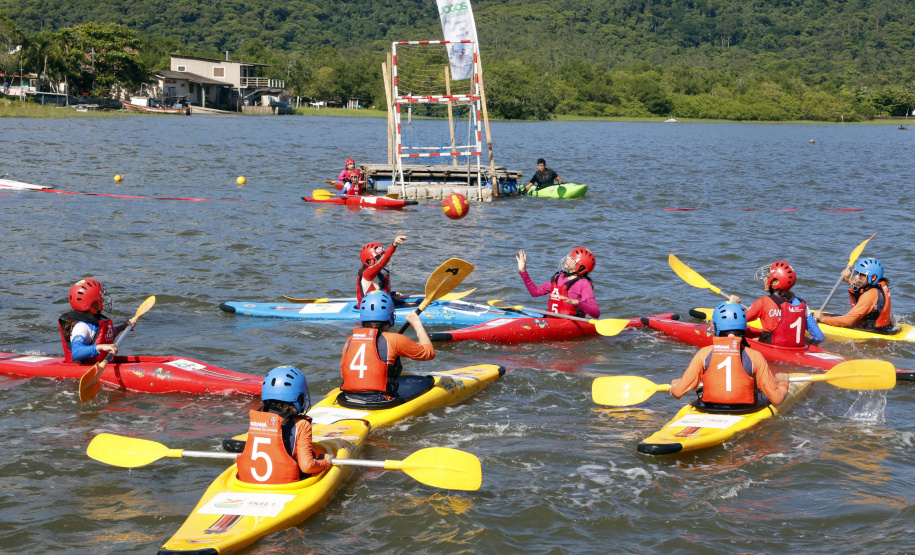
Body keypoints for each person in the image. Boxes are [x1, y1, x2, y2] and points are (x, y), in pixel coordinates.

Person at [670, 302, 789, 407]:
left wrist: (675, 384)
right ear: (743, 327)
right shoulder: (754, 356)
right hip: (744, 410)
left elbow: (677, 392)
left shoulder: (704, 354)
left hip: (710, 408)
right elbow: (777, 399)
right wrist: (783, 383)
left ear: (716, 327)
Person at [237, 366, 333, 484]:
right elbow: (307, 466)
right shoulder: (302, 424)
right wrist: (325, 462)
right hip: (284, 484)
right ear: (298, 397)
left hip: (250, 482)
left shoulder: (259, 417)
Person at [340, 291, 435, 402]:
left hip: (348, 397)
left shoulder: (350, 340)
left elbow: (344, 373)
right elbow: (429, 353)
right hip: (381, 400)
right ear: (390, 316)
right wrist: (417, 324)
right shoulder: (394, 339)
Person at [729, 261, 825, 346]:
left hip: (773, 348)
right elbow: (819, 337)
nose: (764, 279)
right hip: (796, 349)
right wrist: (808, 346)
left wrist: (733, 304)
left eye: (767, 277)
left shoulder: (764, 302)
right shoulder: (802, 304)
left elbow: (735, 321)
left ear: (775, 282)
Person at [58, 279, 137, 364]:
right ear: (94, 304)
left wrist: (123, 327)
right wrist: (101, 347)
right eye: (101, 298)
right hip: (86, 369)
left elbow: (107, 335)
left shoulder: (95, 321)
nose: (103, 300)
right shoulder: (81, 327)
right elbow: (76, 352)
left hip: (105, 364)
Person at [814, 257, 893, 333]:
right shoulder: (879, 284)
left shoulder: (869, 295)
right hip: (884, 327)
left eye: (861, 274)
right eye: (857, 273)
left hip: (873, 332)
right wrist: (849, 279)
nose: (856, 277)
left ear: (873, 277)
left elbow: (849, 321)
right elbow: (861, 289)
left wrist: (823, 319)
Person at [515, 247, 600, 318]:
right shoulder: (558, 278)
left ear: (580, 267)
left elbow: (596, 313)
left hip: (570, 323)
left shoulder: (584, 284)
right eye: (569, 256)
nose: (567, 258)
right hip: (551, 320)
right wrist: (523, 271)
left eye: (571, 258)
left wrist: (577, 302)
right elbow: (535, 292)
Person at [357, 235, 407, 304]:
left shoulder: (377, 274)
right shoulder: (367, 274)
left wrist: (392, 294)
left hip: (380, 306)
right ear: (369, 261)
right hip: (372, 311)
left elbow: (379, 290)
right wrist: (394, 245)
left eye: (382, 255)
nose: (381, 258)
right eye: (379, 257)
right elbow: (381, 263)